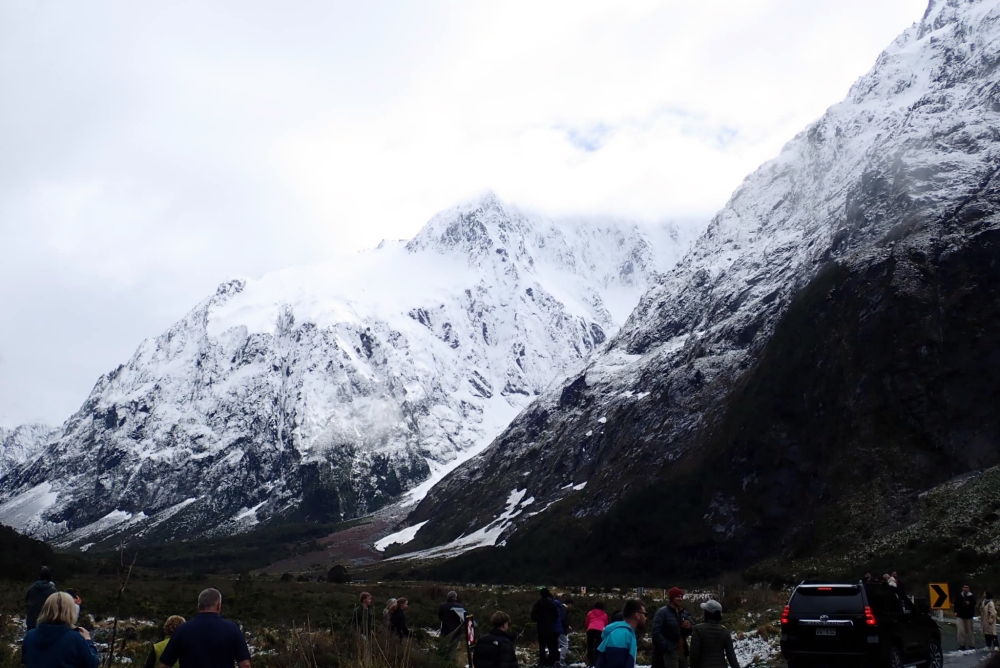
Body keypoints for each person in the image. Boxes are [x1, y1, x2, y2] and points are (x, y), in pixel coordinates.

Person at [158, 588, 251, 668]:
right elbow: (245, 664)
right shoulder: (232, 628)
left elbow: (165, 665)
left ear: (198, 606)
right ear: (219, 605)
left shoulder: (182, 630)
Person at [21, 591, 99, 668]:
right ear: (70, 611)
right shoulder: (75, 638)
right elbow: (92, 664)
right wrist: (88, 641)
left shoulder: (29, 636)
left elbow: (25, 660)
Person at [595, 599, 646, 668]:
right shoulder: (620, 636)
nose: (646, 618)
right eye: (644, 614)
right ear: (637, 615)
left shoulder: (626, 634)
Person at [688, 600, 739, 668]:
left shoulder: (698, 629)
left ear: (707, 613)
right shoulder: (725, 631)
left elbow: (694, 654)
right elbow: (731, 656)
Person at [652, 588, 693, 668]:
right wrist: (667, 646)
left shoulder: (684, 613)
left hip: (683, 652)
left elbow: (694, 628)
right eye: (677, 597)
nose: (680, 599)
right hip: (670, 652)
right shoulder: (662, 612)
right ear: (671, 598)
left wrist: (689, 627)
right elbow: (656, 632)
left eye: (681, 597)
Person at [531, 588, 560, 666]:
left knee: (542, 646)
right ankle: (551, 661)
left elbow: (533, 615)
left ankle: (542, 661)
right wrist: (550, 620)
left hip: (541, 628)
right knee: (551, 645)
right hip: (550, 628)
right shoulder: (552, 604)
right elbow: (556, 615)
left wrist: (539, 620)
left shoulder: (538, 603)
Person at [25, 566, 58, 631]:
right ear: (50, 578)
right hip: (46, 621)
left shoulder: (32, 588)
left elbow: (26, 600)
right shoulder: (53, 590)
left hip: (31, 620)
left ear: (39, 577)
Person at [439, 590, 467, 657]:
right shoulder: (458, 606)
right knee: (452, 649)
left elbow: (440, 617)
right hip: (455, 630)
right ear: (455, 598)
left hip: (444, 630)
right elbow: (464, 618)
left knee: (443, 647)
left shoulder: (442, 606)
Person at [586, 602, 610, 667]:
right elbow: (606, 625)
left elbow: (587, 622)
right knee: (598, 647)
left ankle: (592, 663)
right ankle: (597, 662)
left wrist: (587, 629)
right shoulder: (605, 615)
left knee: (590, 647)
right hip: (600, 631)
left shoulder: (590, 613)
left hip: (591, 630)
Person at [956, 584, 977, 651]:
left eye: (967, 588)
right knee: (960, 631)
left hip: (969, 616)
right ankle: (961, 645)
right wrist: (955, 611)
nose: (965, 589)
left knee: (970, 631)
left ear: (969, 589)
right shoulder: (959, 596)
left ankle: (971, 645)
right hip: (960, 615)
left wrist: (969, 603)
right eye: (964, 587)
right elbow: (956, 603)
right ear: (963, 588)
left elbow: (974, 603)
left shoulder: (971, 596)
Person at [555, 596, 574, 666]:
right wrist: (567, 626)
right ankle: (561, 661)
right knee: (565, 645)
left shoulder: (560, 608)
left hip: (557, 629)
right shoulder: (564, 609)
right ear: (570, 604)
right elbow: (563, 619)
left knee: (558, 644)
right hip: (561, 629)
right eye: (572, 605)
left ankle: (556, 659)